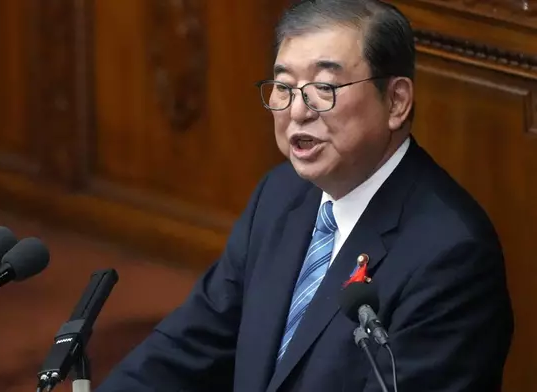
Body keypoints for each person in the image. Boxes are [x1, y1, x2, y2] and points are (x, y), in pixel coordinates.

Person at [95, 0, 514, 391]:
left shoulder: (450, 254)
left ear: (397, 101)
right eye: (284, 86)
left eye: (325, 87)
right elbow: (190, 346)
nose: (297, 110)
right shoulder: (280, 196)